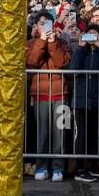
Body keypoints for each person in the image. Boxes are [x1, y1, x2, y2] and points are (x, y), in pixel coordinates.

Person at [27, 16, 70, 181]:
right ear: (37, 26)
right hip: (40, 95)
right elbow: (33, 61)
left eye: (48, 23)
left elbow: (61, 63)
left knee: (60, 132)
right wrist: (42, 40)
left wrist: (52, 42)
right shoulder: (31, 43)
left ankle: (58, 168)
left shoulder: (62, 43)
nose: (45, 26)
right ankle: (42, 166)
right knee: (42, 133)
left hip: (61, 94)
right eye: (41, 23)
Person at [69, 21, 99, 182]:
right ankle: (80, 168)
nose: (92, 38)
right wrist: (80, 47)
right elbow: (73, 69)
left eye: (96, 35)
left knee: (95, 134)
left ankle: (93, 166)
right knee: (82, 134)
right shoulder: (80, 50)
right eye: (89, 34)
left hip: (98, 98)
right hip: (81, 98)